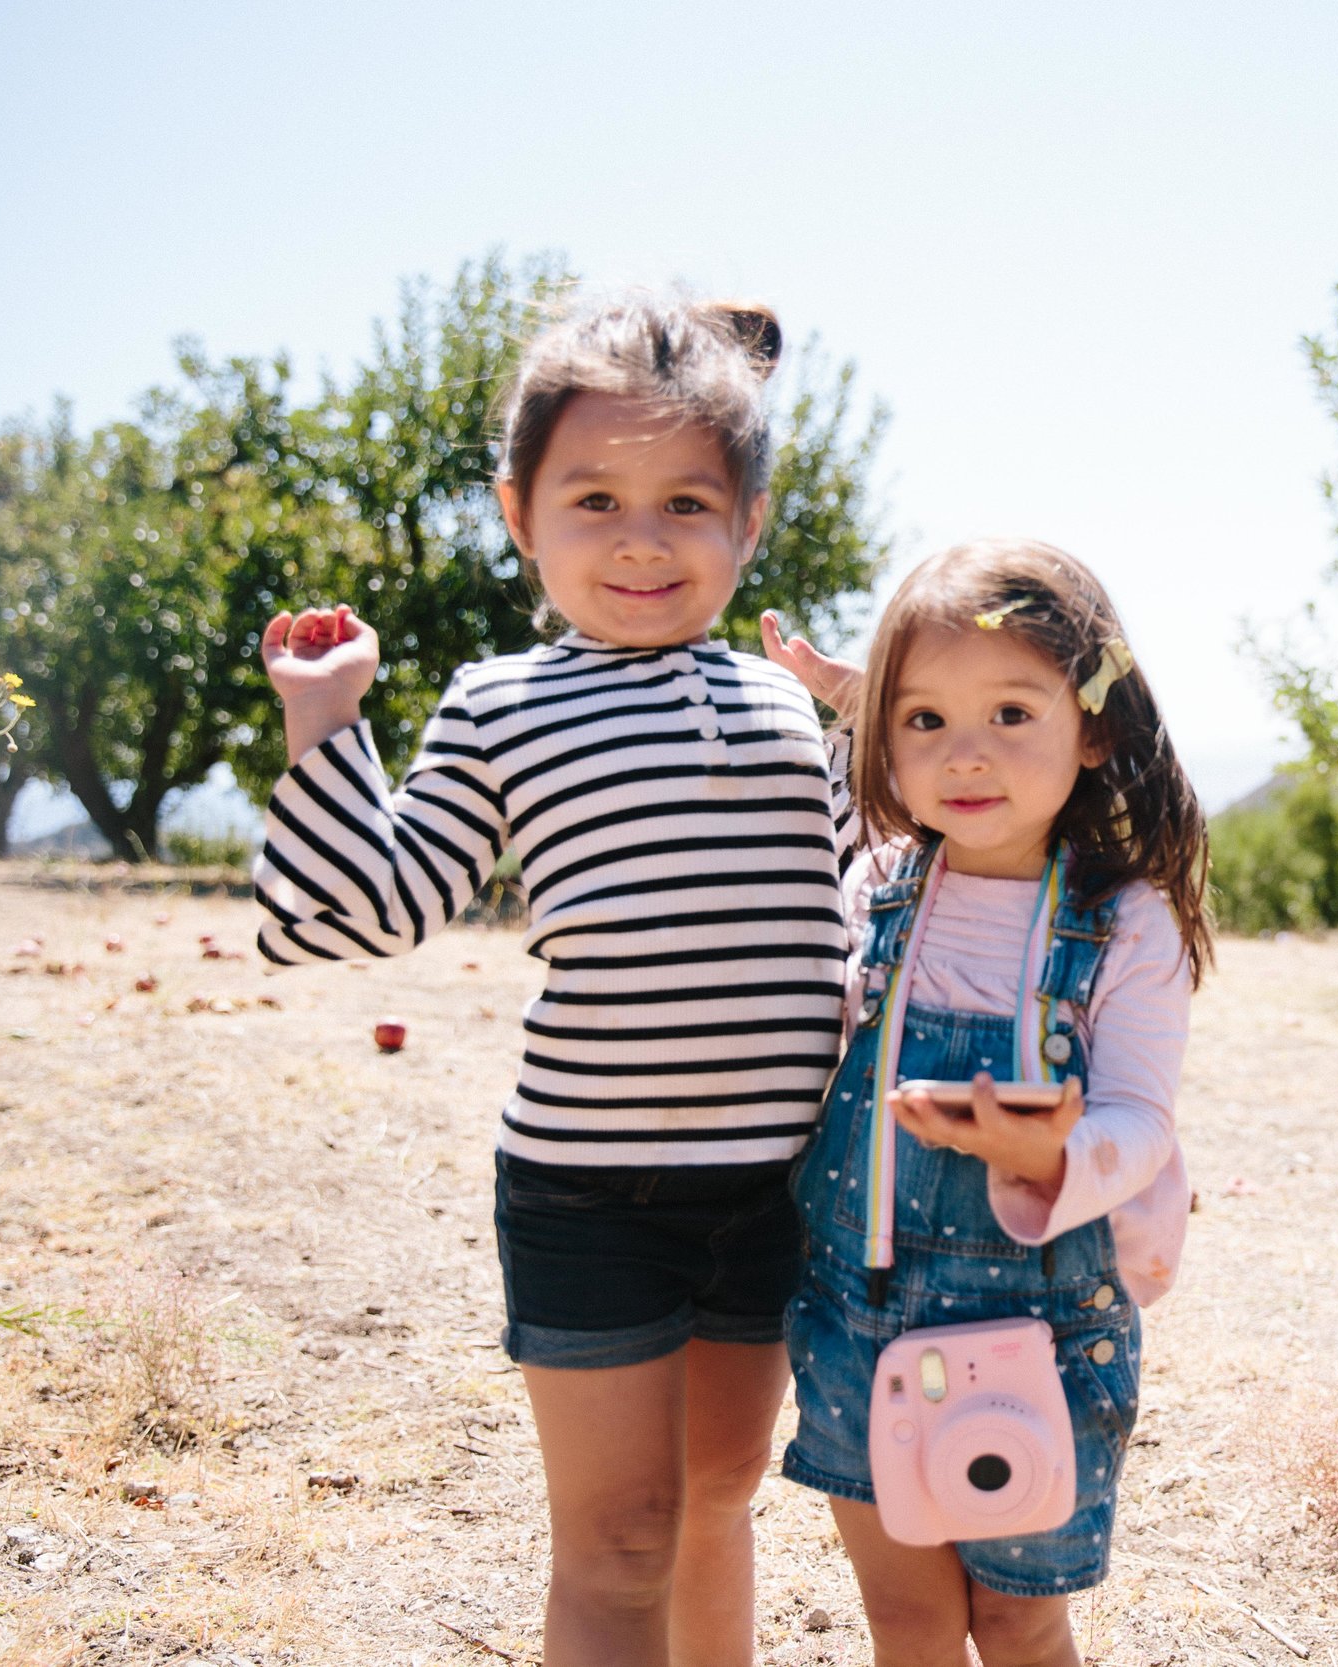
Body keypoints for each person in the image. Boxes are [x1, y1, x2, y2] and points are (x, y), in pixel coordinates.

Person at [251, 293, 848, 1667]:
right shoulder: (501, 701)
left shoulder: (783, 701)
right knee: (621, 1533)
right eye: (594, 497)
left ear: (750, 522)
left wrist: (885, 710)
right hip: (592, 1190)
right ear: (520, 513)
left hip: (774, 1185)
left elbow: (889, 874)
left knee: (714, 1498)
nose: (642, 537)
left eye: (688, 501)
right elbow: (356, 910)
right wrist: (327, 721)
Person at [766, 540, 1210, 1667]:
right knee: (908, 1623)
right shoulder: (876, 884)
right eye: (924, 722)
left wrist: (1051, 1156)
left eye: (1013, 713)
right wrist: (875, 705)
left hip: (1042, 1331)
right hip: (855, 1317)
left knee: (1019, 1622)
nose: (966, 755)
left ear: (1094, 728)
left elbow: (1138, 1118)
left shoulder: (1127, 923)